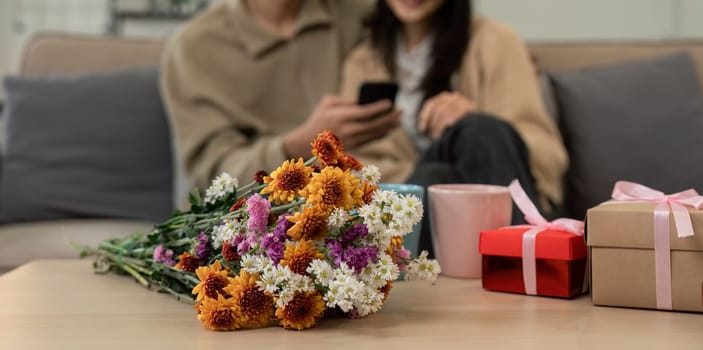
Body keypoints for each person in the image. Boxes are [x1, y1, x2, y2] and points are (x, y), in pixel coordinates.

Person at [339, 0, 568, 254]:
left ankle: (524, 256)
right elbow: (354, 165)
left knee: (479, 130)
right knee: (431, 179)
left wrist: (469, 118)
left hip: (488, 190)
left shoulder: (494, 41)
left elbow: (545, 152)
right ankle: (533, 261)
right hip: (416, 205)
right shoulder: (362, 62)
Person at [161, 0, 401, 191]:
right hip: (247, 227)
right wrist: (299, 145)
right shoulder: (193, 47)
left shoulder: (362, 15)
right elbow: (215, 176)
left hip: (354, 200)